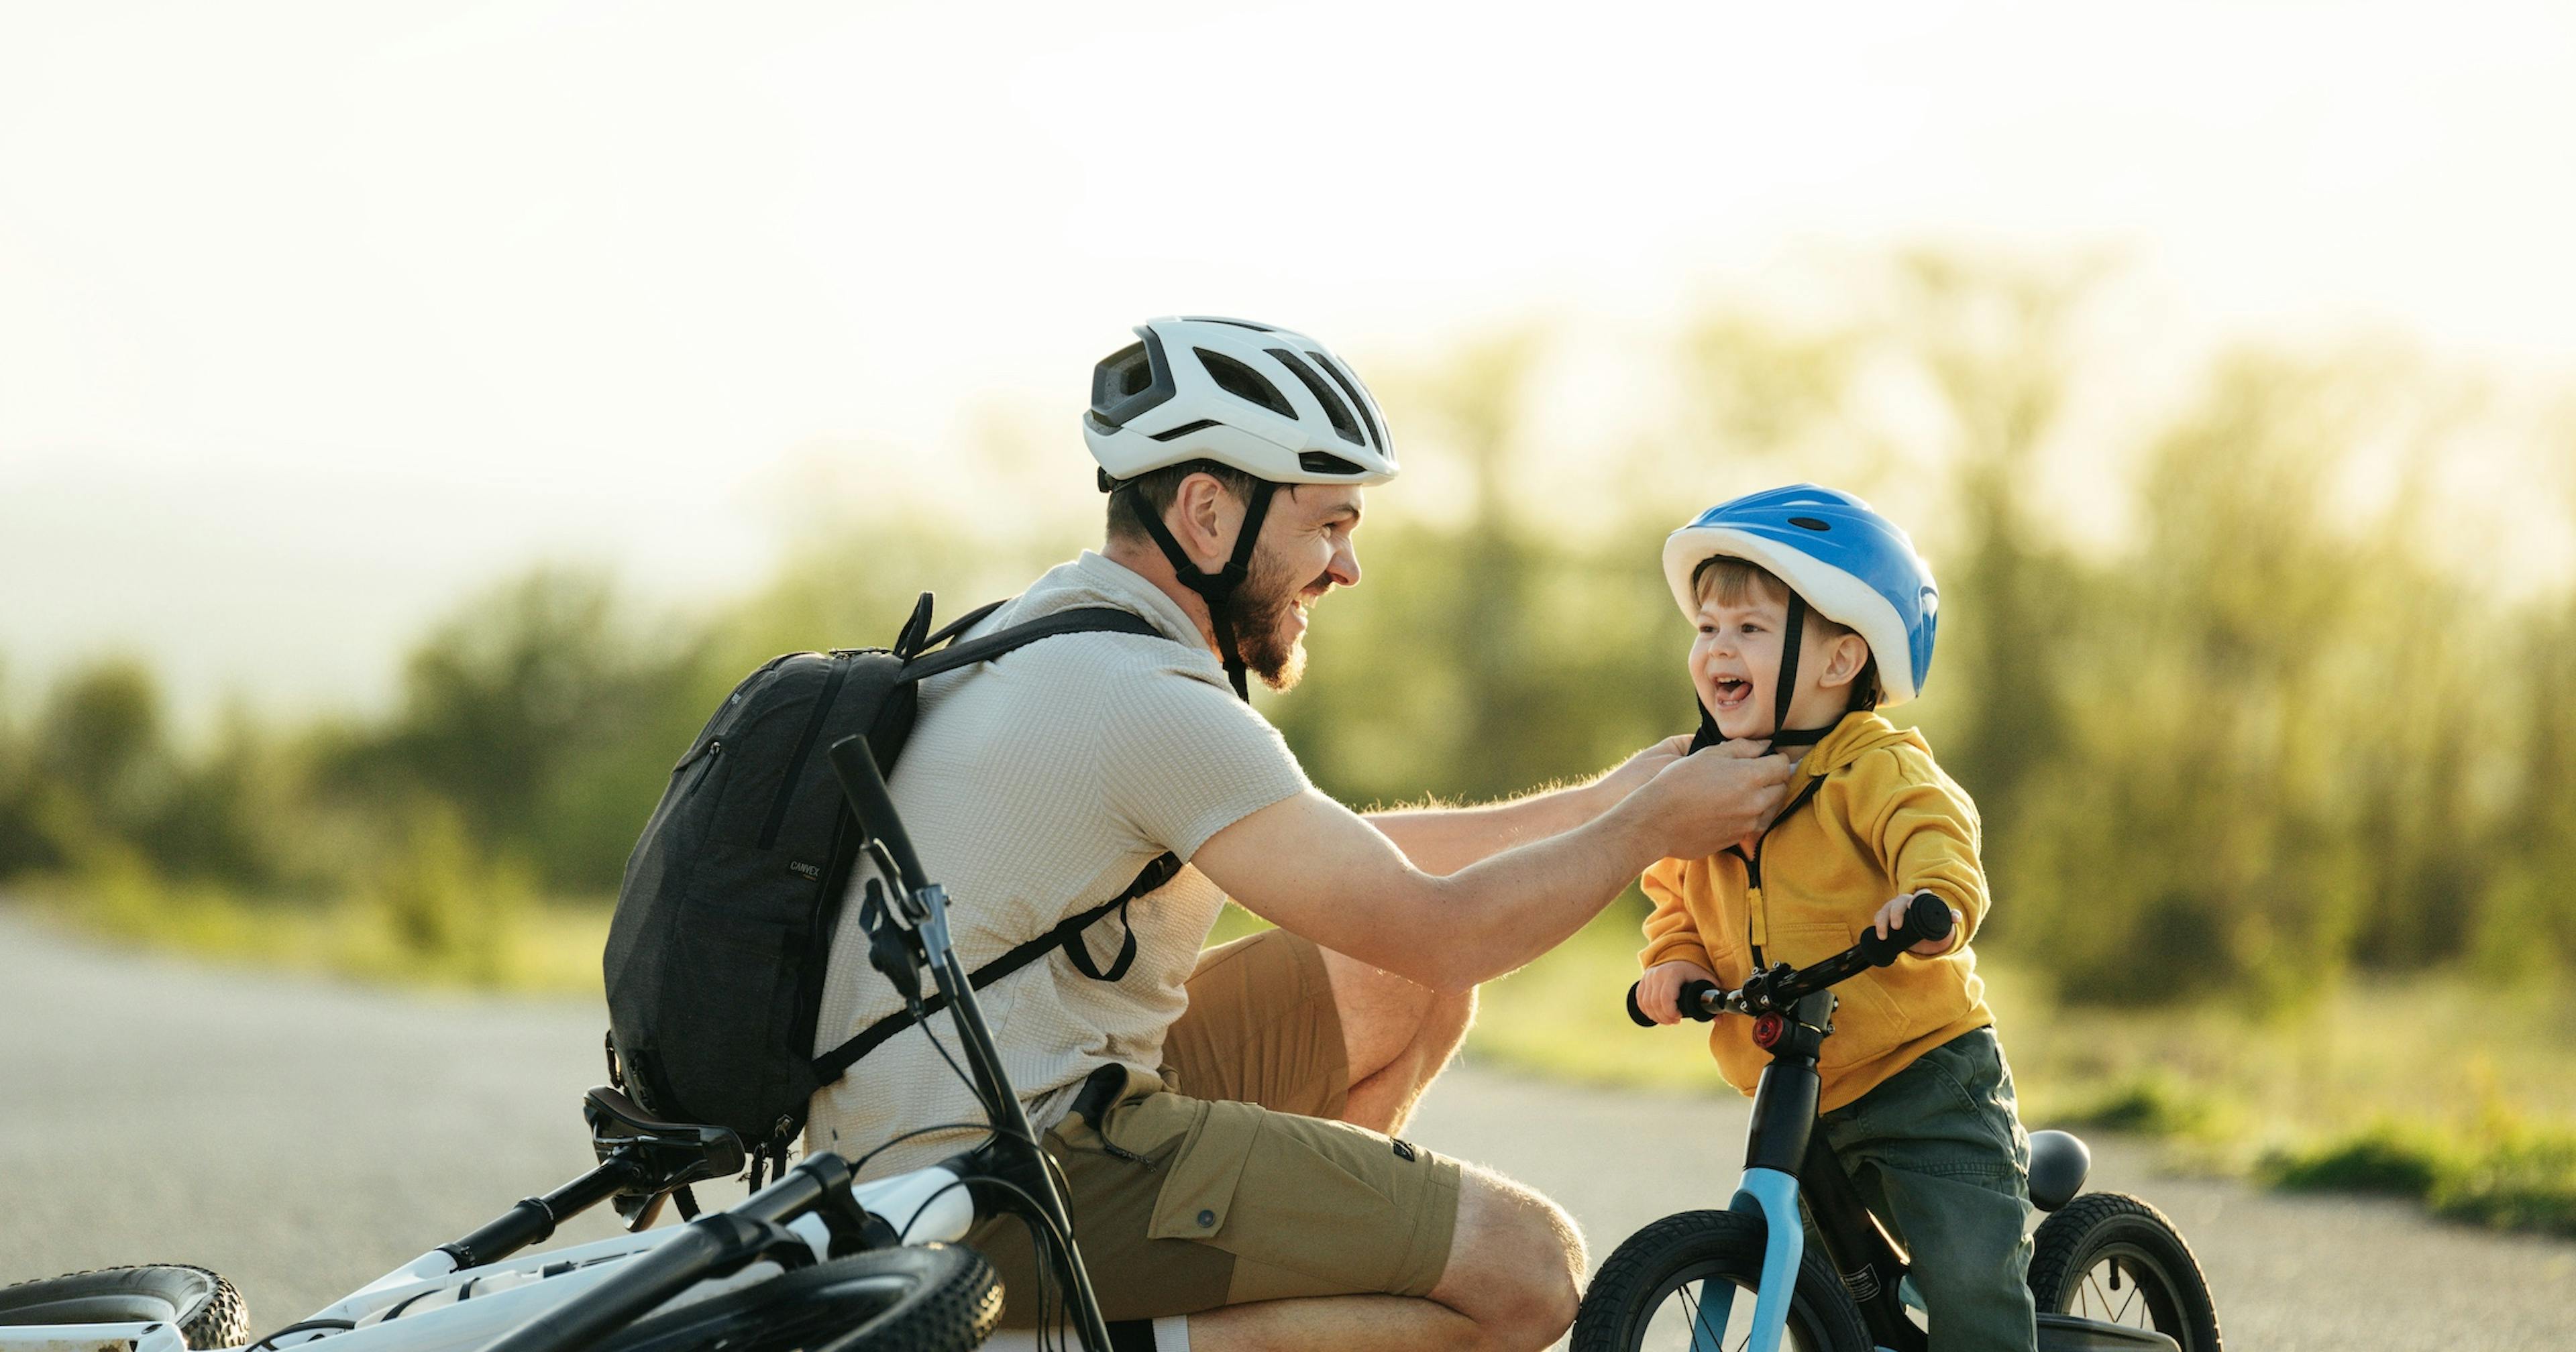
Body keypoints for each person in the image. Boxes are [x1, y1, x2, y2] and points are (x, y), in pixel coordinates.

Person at [805, 317, 1797, 1352]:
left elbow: (1356, 874)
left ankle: (1258, 1264)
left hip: (918, 1141)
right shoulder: (1149, 698)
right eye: (1329, 525)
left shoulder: (1053, 631)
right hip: (994, 1184)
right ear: (1206, 511)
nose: (1347, 567)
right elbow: (1444, 928)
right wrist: (1650, 828)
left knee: (1397, 984)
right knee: (1528, 1272)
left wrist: (1602, 802)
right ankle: (1048, 1343)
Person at [1630, 484, 2037, 1352]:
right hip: (1796, 1085)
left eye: (1749, 629)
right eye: (1706, 630)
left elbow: (1934, 833)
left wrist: (1929, 902)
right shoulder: (1707, 783)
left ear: (1840, 659)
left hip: (1924, 1075)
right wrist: (1677, 966)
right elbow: (1676, 898)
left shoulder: (1873, 766)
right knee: (1820, 1300)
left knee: (1969, 1282)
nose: (1717, 651)